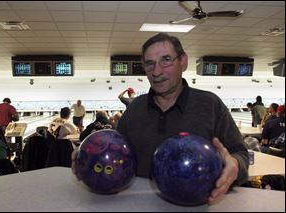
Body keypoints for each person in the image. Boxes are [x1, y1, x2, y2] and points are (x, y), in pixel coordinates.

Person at [72, 33, 249, 205]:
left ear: (183, 61)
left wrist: (235, 165)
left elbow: (241, 155)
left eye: (166, 60)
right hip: (138, 203)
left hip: (194, 202)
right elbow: (115, 153)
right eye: (150, 64)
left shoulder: (210, 105)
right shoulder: (135, 108)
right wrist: (89, 157)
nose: (156, 71)